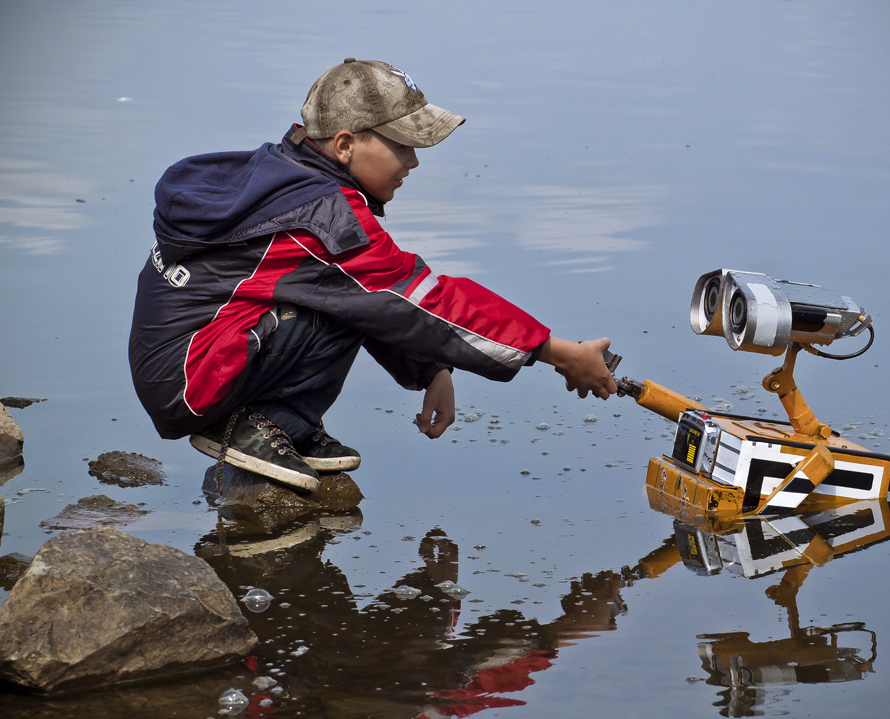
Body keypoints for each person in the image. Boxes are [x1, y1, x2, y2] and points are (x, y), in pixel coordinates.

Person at [128, 58, 617, 492]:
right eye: (403, 146)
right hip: (194, 380)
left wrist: (432, 369)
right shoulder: (321, 216)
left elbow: (383, 299)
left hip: (187, 362)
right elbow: (425, 300)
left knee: (356, 296)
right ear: (344, 144)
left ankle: (281, 425)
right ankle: (261, 424)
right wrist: (560, 353)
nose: (414, 161)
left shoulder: (283, 178)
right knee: (365, 297)